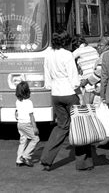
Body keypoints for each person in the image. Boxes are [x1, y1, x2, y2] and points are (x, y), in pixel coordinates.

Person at [40, 31, 93, 171]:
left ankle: (46, 159)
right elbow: (74, 80)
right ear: (66, 42)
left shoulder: (49, 54)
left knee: (61, 127)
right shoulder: (67, 55)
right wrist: (80, 95)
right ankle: (83, 163)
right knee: (79, 126)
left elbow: (47, 77)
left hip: (56, 94)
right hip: (69, 93)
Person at [15, 81, 40, 167]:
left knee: (23, 140)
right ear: (27, 91)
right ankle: (25, 156)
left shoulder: (18, 101)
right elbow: (31, 116)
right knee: (36, 139)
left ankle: (19, 159)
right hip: (26, 124)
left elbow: (16, 113)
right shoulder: (29, 102)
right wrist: (35, 127)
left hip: (19, 124)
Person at [72, 35, 100, 105]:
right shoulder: (93, 49)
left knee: (87, 104)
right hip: (96, 76)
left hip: (87, 78)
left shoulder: (78, 51)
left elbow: (69, 59)